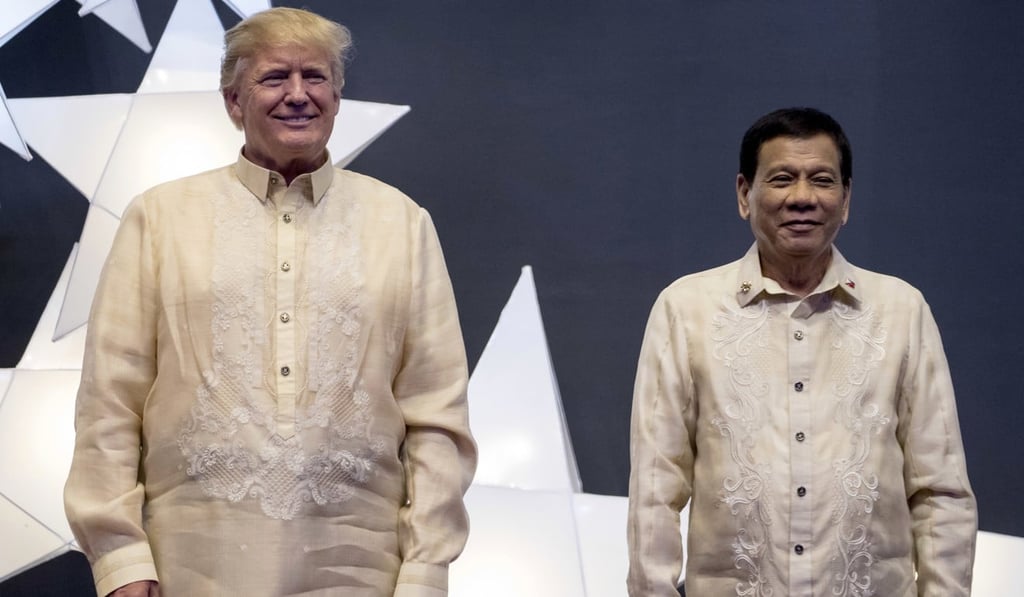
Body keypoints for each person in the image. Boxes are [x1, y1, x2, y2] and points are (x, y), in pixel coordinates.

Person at [64, 8, 476, 597]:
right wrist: (121, 556)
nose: (298, 95)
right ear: (234, 101)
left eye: (316, 77)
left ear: (337, 96)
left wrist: (426, 567)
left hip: (360, 565)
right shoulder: (159, 218)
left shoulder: (401, 223)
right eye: (275, 77)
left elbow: (437, 414)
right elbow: (110, 400)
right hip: (190, 561)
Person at [626, 107, 976, 596]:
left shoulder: (900, 311)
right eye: (783, 179)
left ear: (846, 199)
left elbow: (941, 492)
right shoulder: (687, 309)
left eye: (822, 180)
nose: (802, 198)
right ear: (745, 195)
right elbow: (654, 491)